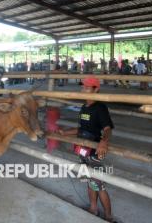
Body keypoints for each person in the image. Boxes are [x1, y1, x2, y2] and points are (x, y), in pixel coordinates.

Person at [57, 76, 115, 222]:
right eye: (82, 87)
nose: (83, 89)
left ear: (96, 90)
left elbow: (107, 128)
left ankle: (109, 217)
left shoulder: (100, 108)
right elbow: (80, 129)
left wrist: (103, 141)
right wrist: (65, 132)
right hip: (83, 148)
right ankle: (93, 208)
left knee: (99, 185)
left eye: (87, 87)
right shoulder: (84, 107)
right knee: (90, 181)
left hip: (95, 151)